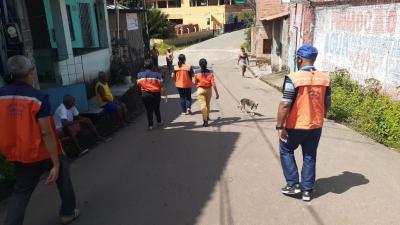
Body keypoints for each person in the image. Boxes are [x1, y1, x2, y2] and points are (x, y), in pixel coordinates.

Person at [0, 55, 79, 225]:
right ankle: (67, 213)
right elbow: (46, 132)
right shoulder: (38, 98)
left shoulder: (1, 97)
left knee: (21, 192)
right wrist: (55, 163)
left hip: (19, 154)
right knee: (63, 179)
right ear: (30, 72)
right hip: (44, 152)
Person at [276, 45, 331, 202]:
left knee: (286, 149)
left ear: (299, 58)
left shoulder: (294, 78)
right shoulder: (325, 78)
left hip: (296, 125)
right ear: (314, 58)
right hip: (315, 125)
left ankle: (293, 185)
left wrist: (280, 126)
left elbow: (285, 103)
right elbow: (327, 102)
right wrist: (321, 115)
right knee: (310, 155)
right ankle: (307, 191)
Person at [137, 59, 166, 131]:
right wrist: (164, 95)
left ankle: (150, 125)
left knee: (148, 110)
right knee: (156, 108)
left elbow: (138, 84)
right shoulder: (157, 75)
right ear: (153, 66)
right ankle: (159, 122)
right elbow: (161, 85)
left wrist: (141, 92)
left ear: (144, 66)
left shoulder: (139, 75)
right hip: (155, 94)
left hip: (145, 95)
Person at [193, 58, 220, 127]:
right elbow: (213, 83)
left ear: (199, 64)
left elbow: (195, 82)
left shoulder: (196, 72)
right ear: (206, 64)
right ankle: (207, 117)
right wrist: (217, 93)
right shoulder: (210, 72)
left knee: (203, 105)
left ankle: (205, 121)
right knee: (208, 105)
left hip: (200, 90)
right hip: (208, 90)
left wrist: (197, 86)